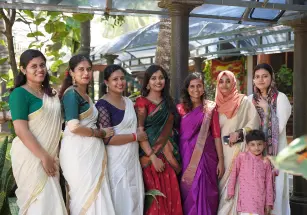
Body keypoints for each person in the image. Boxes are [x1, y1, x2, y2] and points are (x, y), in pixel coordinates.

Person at [9, 49, 67, 215]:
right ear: (23, 69)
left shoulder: (52, 94)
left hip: (50, 156)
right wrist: (44, 157)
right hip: (31, 157)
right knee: (39, 203)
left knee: (52, 203)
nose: (39, 69)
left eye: (42, 65)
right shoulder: (19, 94)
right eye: (33, 66)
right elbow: (21, 130)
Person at [59, 54, 115, 215]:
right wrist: (100, 133)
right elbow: (74, 126)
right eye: (81, 69)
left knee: (97, 195)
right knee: (83, 196)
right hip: (77, 153)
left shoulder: (85, 95)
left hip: (91, 153)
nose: (86, 73)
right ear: (71, 72)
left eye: (89, 69)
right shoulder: (71, 94)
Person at [95, 64, 145, 215]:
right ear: (106, 83)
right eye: (115, 79)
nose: (120, 82)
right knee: (120, 196)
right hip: (116, 160)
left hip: (132, 159)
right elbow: (108, 139)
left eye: (122, 78)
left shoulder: (128, 102)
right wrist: (135, 137)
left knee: (135, 197)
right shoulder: (102, 105)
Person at [134, 65, 183, 215]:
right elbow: (140, 132)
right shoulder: (142, 102)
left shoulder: (170, 103)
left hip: (169, 157)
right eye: (153, 78)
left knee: (170, 199)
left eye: (161, 77)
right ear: (147, 82)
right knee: (155, 203)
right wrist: (153, 157)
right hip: (150, 160)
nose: (158, 81)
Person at [177, 72, 224, 215]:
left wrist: (221, 160)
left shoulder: (211, 108)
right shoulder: (179, 109)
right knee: (190, 192)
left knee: (206, 192)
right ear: (187, 88)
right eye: (192, 86)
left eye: (199, 86)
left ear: (204, 88)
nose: (196, 89)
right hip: (186, 156)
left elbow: (216, 135)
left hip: (207, 157)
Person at [248, 63, 292, 215]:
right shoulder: (249, 100)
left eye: (265, 76)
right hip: (255, 154)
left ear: (271, 78)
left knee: (276, 191)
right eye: (257, 76)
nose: (261, 80)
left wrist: (267, 109)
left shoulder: (281, 99)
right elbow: (247, 126)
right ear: (253, 79)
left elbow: (278, 128)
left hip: (276, 154)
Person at [216, 70, 260, 215]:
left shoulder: (244, 101)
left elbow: (255, 123)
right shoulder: (213, 106)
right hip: (220, 154)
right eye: (221, 81)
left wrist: (240, 133)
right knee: (223, 190)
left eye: (228, 81)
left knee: (239, 189)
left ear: (234, 82)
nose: (224, 85)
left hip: (239, 151)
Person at [227, 130, 274, 215]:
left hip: (259, 201)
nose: (256, 147)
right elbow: (234, 173)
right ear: (247, 146)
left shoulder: (266, 161)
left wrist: (268, 203)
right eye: (252, 144)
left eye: (259, 144)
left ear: (264, 145)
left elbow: (269, 183)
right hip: (245, 201)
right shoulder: (242, 157)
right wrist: (231, 191)